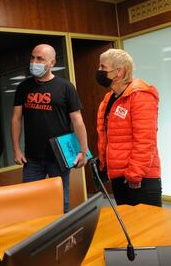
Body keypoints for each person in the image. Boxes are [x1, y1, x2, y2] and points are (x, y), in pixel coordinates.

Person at [11, 44, 88, 213]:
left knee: (60, 203)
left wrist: (83, 150)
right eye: (33, 57)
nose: (34, 62)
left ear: (52, 62)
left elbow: (77, 120)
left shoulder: (66, 87)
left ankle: (62, 237)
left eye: (40, 59)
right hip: (32, 159)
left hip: (59, 157)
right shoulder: (24, 87)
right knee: (30, 204)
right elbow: (16, 119)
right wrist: (16, 149)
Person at [95, 48, 162, 207]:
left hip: (140, 178)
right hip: (119, 175)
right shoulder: (110, 98)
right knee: (128, 228)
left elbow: (145, 140)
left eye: (103, 67)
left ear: (119, 71)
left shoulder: (141, 96)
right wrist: (103, 165)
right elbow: (107, 136)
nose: (99, 71)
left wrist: (135, 174)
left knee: (148, 229)